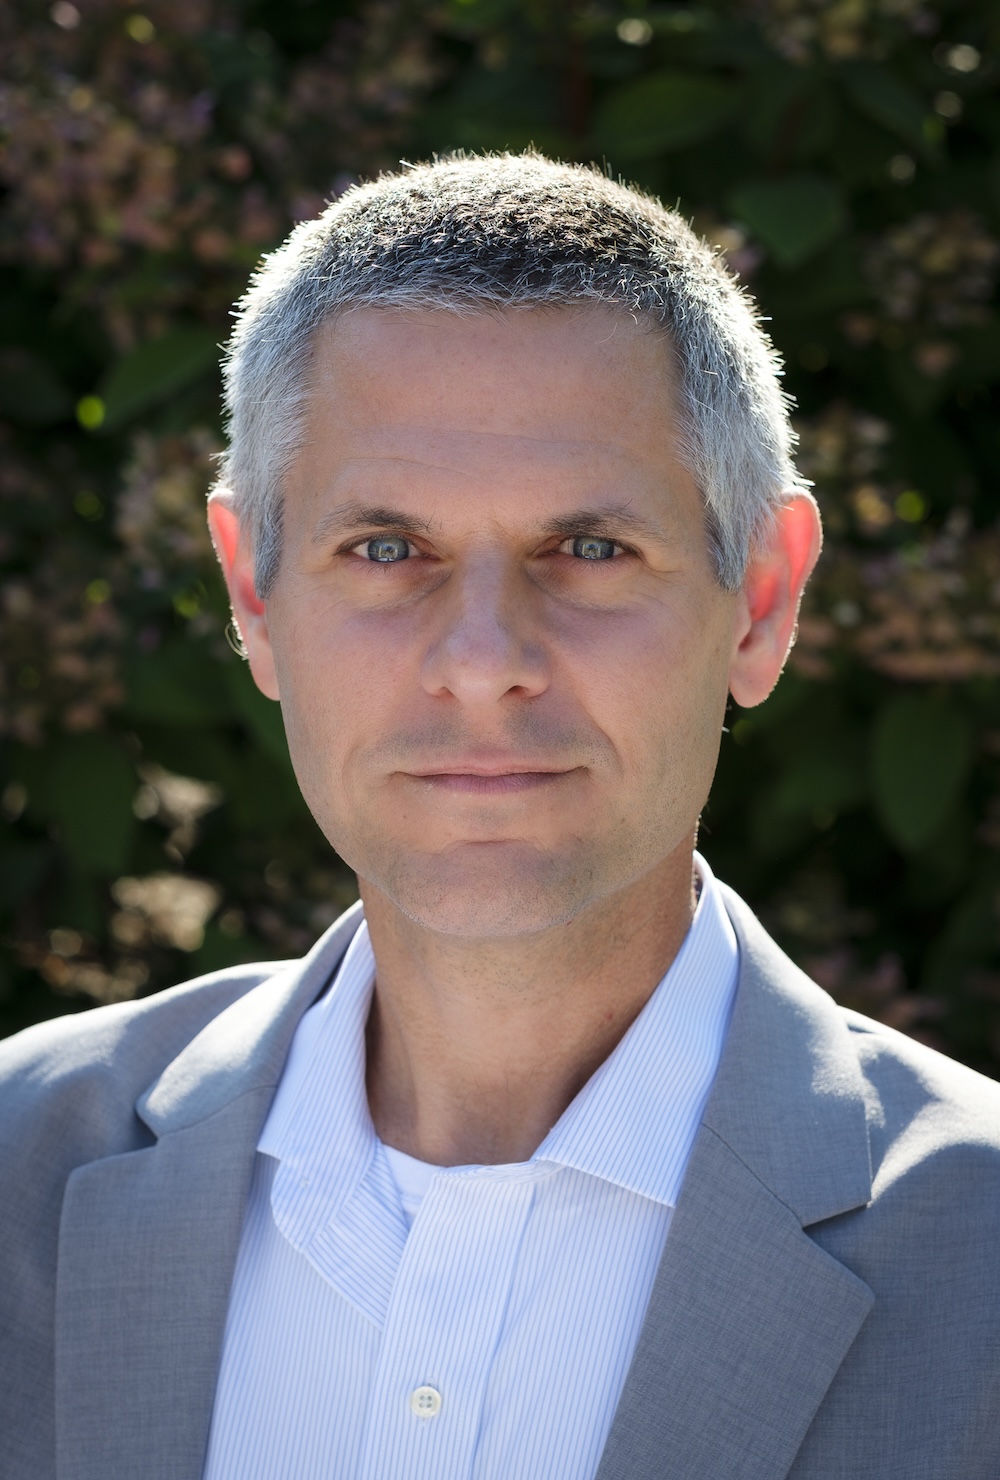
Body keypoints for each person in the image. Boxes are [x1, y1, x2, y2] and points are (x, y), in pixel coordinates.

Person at [2, 153, 999, 1480]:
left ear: (761, 599)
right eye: (384, 549)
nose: (483, 659)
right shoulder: (19, 1180)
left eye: (588, 550)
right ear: (251, 592)